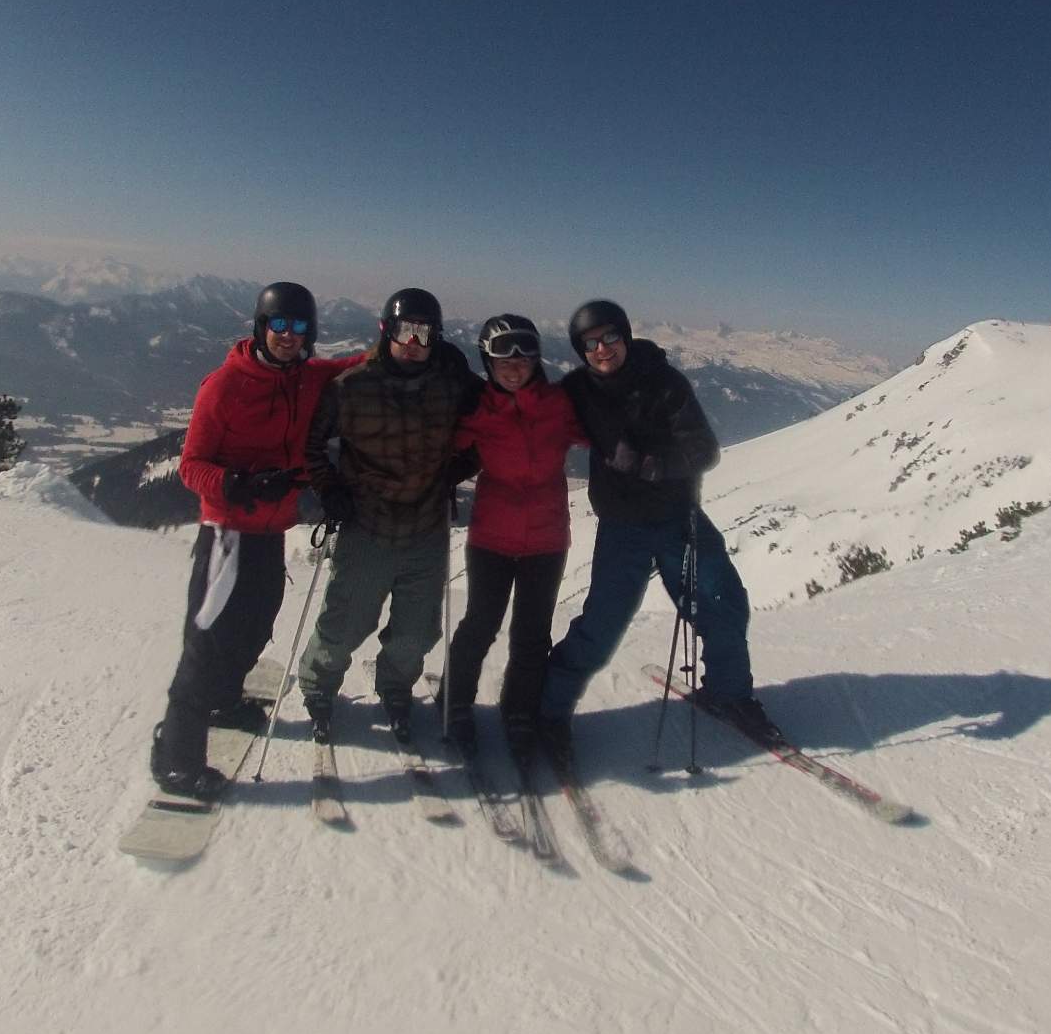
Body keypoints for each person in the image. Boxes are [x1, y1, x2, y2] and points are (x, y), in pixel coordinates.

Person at [148, 282, 362, 800]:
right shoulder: (223, 386)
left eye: (299, 327)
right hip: (227, 532)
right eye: (279, 326)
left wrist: (409, 340)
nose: (288, 336)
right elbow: (191, 466)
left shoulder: (308, 377)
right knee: (207, 640)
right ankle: (175, 758)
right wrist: (235, 484)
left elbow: (359, 364)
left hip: (271, 530)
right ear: (261, 327)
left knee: (258, 620)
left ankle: (224, 700)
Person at [537, 299, 764, 752]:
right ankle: (547, 709)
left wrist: (650, 465)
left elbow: (704, 450)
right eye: (590, 344)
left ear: (625, 336)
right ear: (581, 351)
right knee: (602, 626)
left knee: (722, 603)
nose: (602, 349)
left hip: (679, 519)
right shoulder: (579, 389)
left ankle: (730, 693)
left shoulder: (664, 382)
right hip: (623, 527)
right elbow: (534, 413)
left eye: (610, 337)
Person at [297, 287, 481, 745]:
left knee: (417, 630)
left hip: (426, 527)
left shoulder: (451, 384)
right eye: (405, 330)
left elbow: (490, 425)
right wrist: (329, 488)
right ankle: (319, 686)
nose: (413, 342)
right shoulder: (352, 386)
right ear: (386, 330)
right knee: (346, 621)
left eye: (425, 333)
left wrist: (461, 467)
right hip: (368, 524)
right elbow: (312, 445)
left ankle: (396, 686)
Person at [441, 314, 588, 755]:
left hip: (547, 539)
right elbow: (437, 445)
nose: (514, 365)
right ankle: (455, 701)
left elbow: (603, 431)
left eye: (524, 355)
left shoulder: (559, 404)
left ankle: (520, 708)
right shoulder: (478, 409)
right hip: (492, 537)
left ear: (537, 358)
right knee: (481, 623)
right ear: (487, 361)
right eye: (502, 357)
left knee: (532, 632)